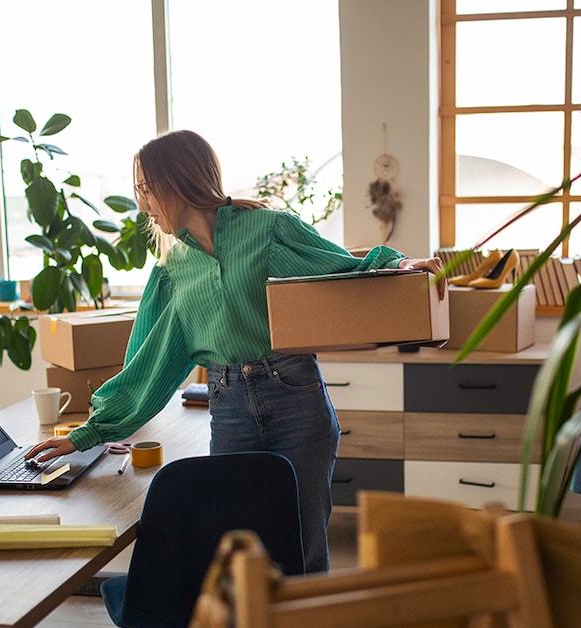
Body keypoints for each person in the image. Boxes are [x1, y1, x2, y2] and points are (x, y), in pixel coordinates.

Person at [26, 129, 445, 573]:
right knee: (240, 552)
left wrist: (400, 266)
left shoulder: (268, 229)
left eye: (146, 189)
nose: (142, 204)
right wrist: (86, 434)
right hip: (230, 411)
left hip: (296, 399)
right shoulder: (172, 270)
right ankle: (253, 622)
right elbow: (148, 365)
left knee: (302, 544)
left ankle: (304, 619)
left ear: (177, 180)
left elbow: (341, 268)